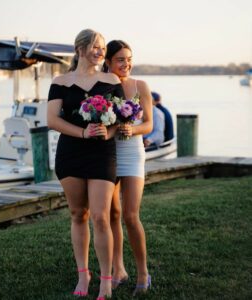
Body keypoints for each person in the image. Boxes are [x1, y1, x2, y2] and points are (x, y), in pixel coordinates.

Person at [47, 29, 125, 300]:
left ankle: (106, 279)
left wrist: (110, 132)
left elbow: (120, 120)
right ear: (79, 49)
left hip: (102, 154)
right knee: (78, 214)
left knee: (100, 216)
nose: (100, 51)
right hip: (70, 153)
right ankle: (84, 274)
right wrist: (82, 132)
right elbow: (52, 120)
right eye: (95, 46)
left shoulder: (111, 79)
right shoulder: (61, 81)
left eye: (102, 47)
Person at [102, 40, 152, 296]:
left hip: (132, 154)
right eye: (120, 59)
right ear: (108, 61)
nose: (126, 64)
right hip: (107, 154)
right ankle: (118, 269)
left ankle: (143, 272)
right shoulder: (101, 85)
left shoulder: (140, 86)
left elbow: (149, 125)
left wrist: (133, 129)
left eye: (129, 58)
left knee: (130, 216)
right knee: (111, 214)